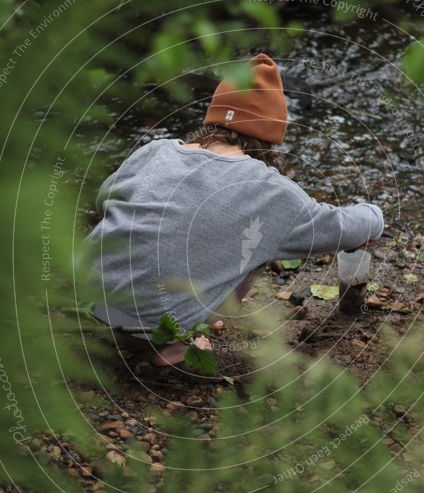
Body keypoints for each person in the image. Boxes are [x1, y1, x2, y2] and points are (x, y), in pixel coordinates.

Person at [87, 53, 384, 365]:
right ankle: (176, 345)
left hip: (88, 302)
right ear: (271, 133)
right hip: (154, 329)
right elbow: (340, 229)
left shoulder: (156, 150)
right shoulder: (271, 191)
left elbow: (104, 200)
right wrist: (375, 215)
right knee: (254, 241)